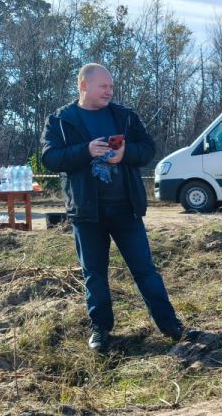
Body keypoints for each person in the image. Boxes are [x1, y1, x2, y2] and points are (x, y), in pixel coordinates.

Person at [40, 63, 191, 352]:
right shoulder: (60, 119)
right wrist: (85, 151)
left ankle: (171, 327)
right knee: (94, 274)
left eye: (111, 86)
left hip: (126, 209)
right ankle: (101, 331)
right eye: (104, 86)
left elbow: (147, 149)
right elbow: (50, 158)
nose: (110, 91)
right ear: (84, 86)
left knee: (145, 270)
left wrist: (125, 153)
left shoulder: (124, 116)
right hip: (86, 212)